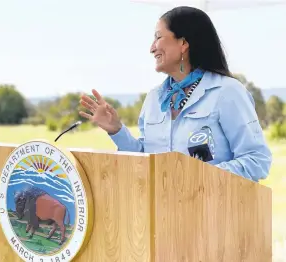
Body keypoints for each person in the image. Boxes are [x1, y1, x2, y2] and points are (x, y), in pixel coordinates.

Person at [78, 6, 272, 182]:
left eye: (158, 37)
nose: (152, 48)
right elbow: (146, 161)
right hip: (164, 217)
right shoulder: (154, 98)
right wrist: (116, 130)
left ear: (183, 43)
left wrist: (198, 178)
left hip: (213, 215)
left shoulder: (227, 92)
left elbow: (257, 160)